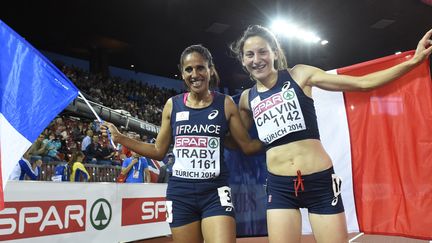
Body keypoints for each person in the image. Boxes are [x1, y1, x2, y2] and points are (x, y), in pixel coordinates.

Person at [230, 25, 432, 243]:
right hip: (280, 188)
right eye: (249, 54)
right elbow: (248, 146)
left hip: (319, 182)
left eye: (263, 51)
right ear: (242, 60)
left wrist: (413, 62)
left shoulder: (300, 74)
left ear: (275, 53)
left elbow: (362, 84)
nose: (256, 59)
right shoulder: (246, 99)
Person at [101, 44, 263, 243]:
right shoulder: (173, 105)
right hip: (180, 194)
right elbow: (159, 151)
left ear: (210, 70)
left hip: (215, 192)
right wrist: (120, 138)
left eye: (200, 67)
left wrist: (280, 139)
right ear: (182, 73)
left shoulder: (225, 103)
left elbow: (246, 146)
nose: (195, 74)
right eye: (189, 69)